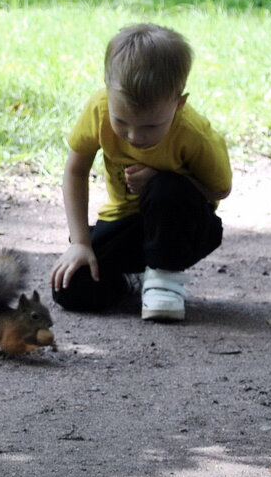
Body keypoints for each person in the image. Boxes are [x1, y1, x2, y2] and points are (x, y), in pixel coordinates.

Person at [49, 23, 231, 321]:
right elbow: (75, 171)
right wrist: (80, 243)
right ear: (108, 94)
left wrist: (161, 178)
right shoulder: (98, 110)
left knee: (165, 189)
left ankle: (164, 278)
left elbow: (219, 189)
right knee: (71, 287)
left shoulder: (193, 133)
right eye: (122, 122)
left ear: (179, 103)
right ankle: (135, 280)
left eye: (150, 126)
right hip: (127, 223)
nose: (134, 136)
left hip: (185, 228)